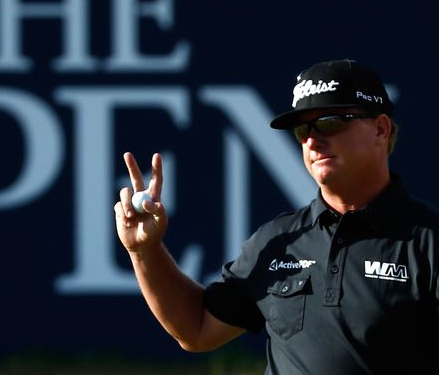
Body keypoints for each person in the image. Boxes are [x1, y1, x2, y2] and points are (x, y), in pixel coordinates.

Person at [115, 59, 439, 374]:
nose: (313, 140)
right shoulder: (278, 240)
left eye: (329, 122)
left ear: (380, 130)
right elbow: (197, 330)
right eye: (303, 130)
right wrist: (145, 251)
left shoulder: (428, 241)